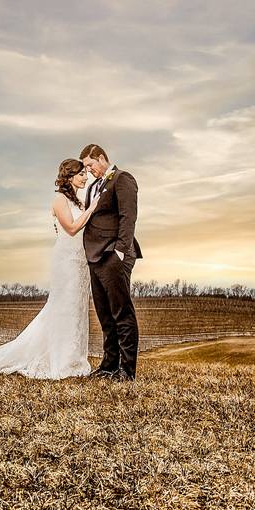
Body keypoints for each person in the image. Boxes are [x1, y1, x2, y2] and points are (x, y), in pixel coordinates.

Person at [0, 158, 98, 379]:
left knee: (77, 309)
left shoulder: (79, 200)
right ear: (70, 176)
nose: (85, 177)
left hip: (80, 262)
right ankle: (60, 360)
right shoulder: (59, 200)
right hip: (66, 261)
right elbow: (71, 228)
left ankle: (73, 359)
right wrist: (92, 209)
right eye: (82, 174)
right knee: (63, 307)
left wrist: (89, 209)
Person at [80, 144, 142, 381]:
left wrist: (120, 251)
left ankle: (126, 371)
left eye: (90, 165)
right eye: (86, 167)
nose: (89, 171)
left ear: (102, 158)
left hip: (113, 255)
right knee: (105, 315)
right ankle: (109, 366)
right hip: (95, 257)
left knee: (121, 313)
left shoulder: (122, 179)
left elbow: (129, 217)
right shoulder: (95, 186)